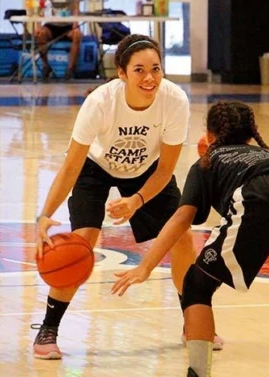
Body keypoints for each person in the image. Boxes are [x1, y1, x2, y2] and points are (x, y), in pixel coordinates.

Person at [33, 34, 223, 360]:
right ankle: (48, 330)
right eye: (138, 70)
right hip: (94, 167)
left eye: (156, 69)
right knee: (81, 242)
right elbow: (71, 166)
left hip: (147, 169)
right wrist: (44, 214)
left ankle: (192, 319)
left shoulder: (174, 101)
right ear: (121, 73)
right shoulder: (99, 103)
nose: (149, 77)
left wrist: (136, 200)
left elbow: (165, 170)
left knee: (181, 236)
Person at [112, 100, 269, 377]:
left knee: (195, 286)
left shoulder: (206, 162)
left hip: (259, 195)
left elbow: (181, 220)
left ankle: (198, 373)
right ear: (252, 134)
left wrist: (145, 266)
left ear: (209, 134)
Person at [37, 0, 83, 79]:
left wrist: (75, 25)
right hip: (52, 24)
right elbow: (41, 6)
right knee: (40, 34)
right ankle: (46, 66)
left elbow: (76, 8)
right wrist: (38, 25)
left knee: (77, 35)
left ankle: (70, 69)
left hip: (67, 25)